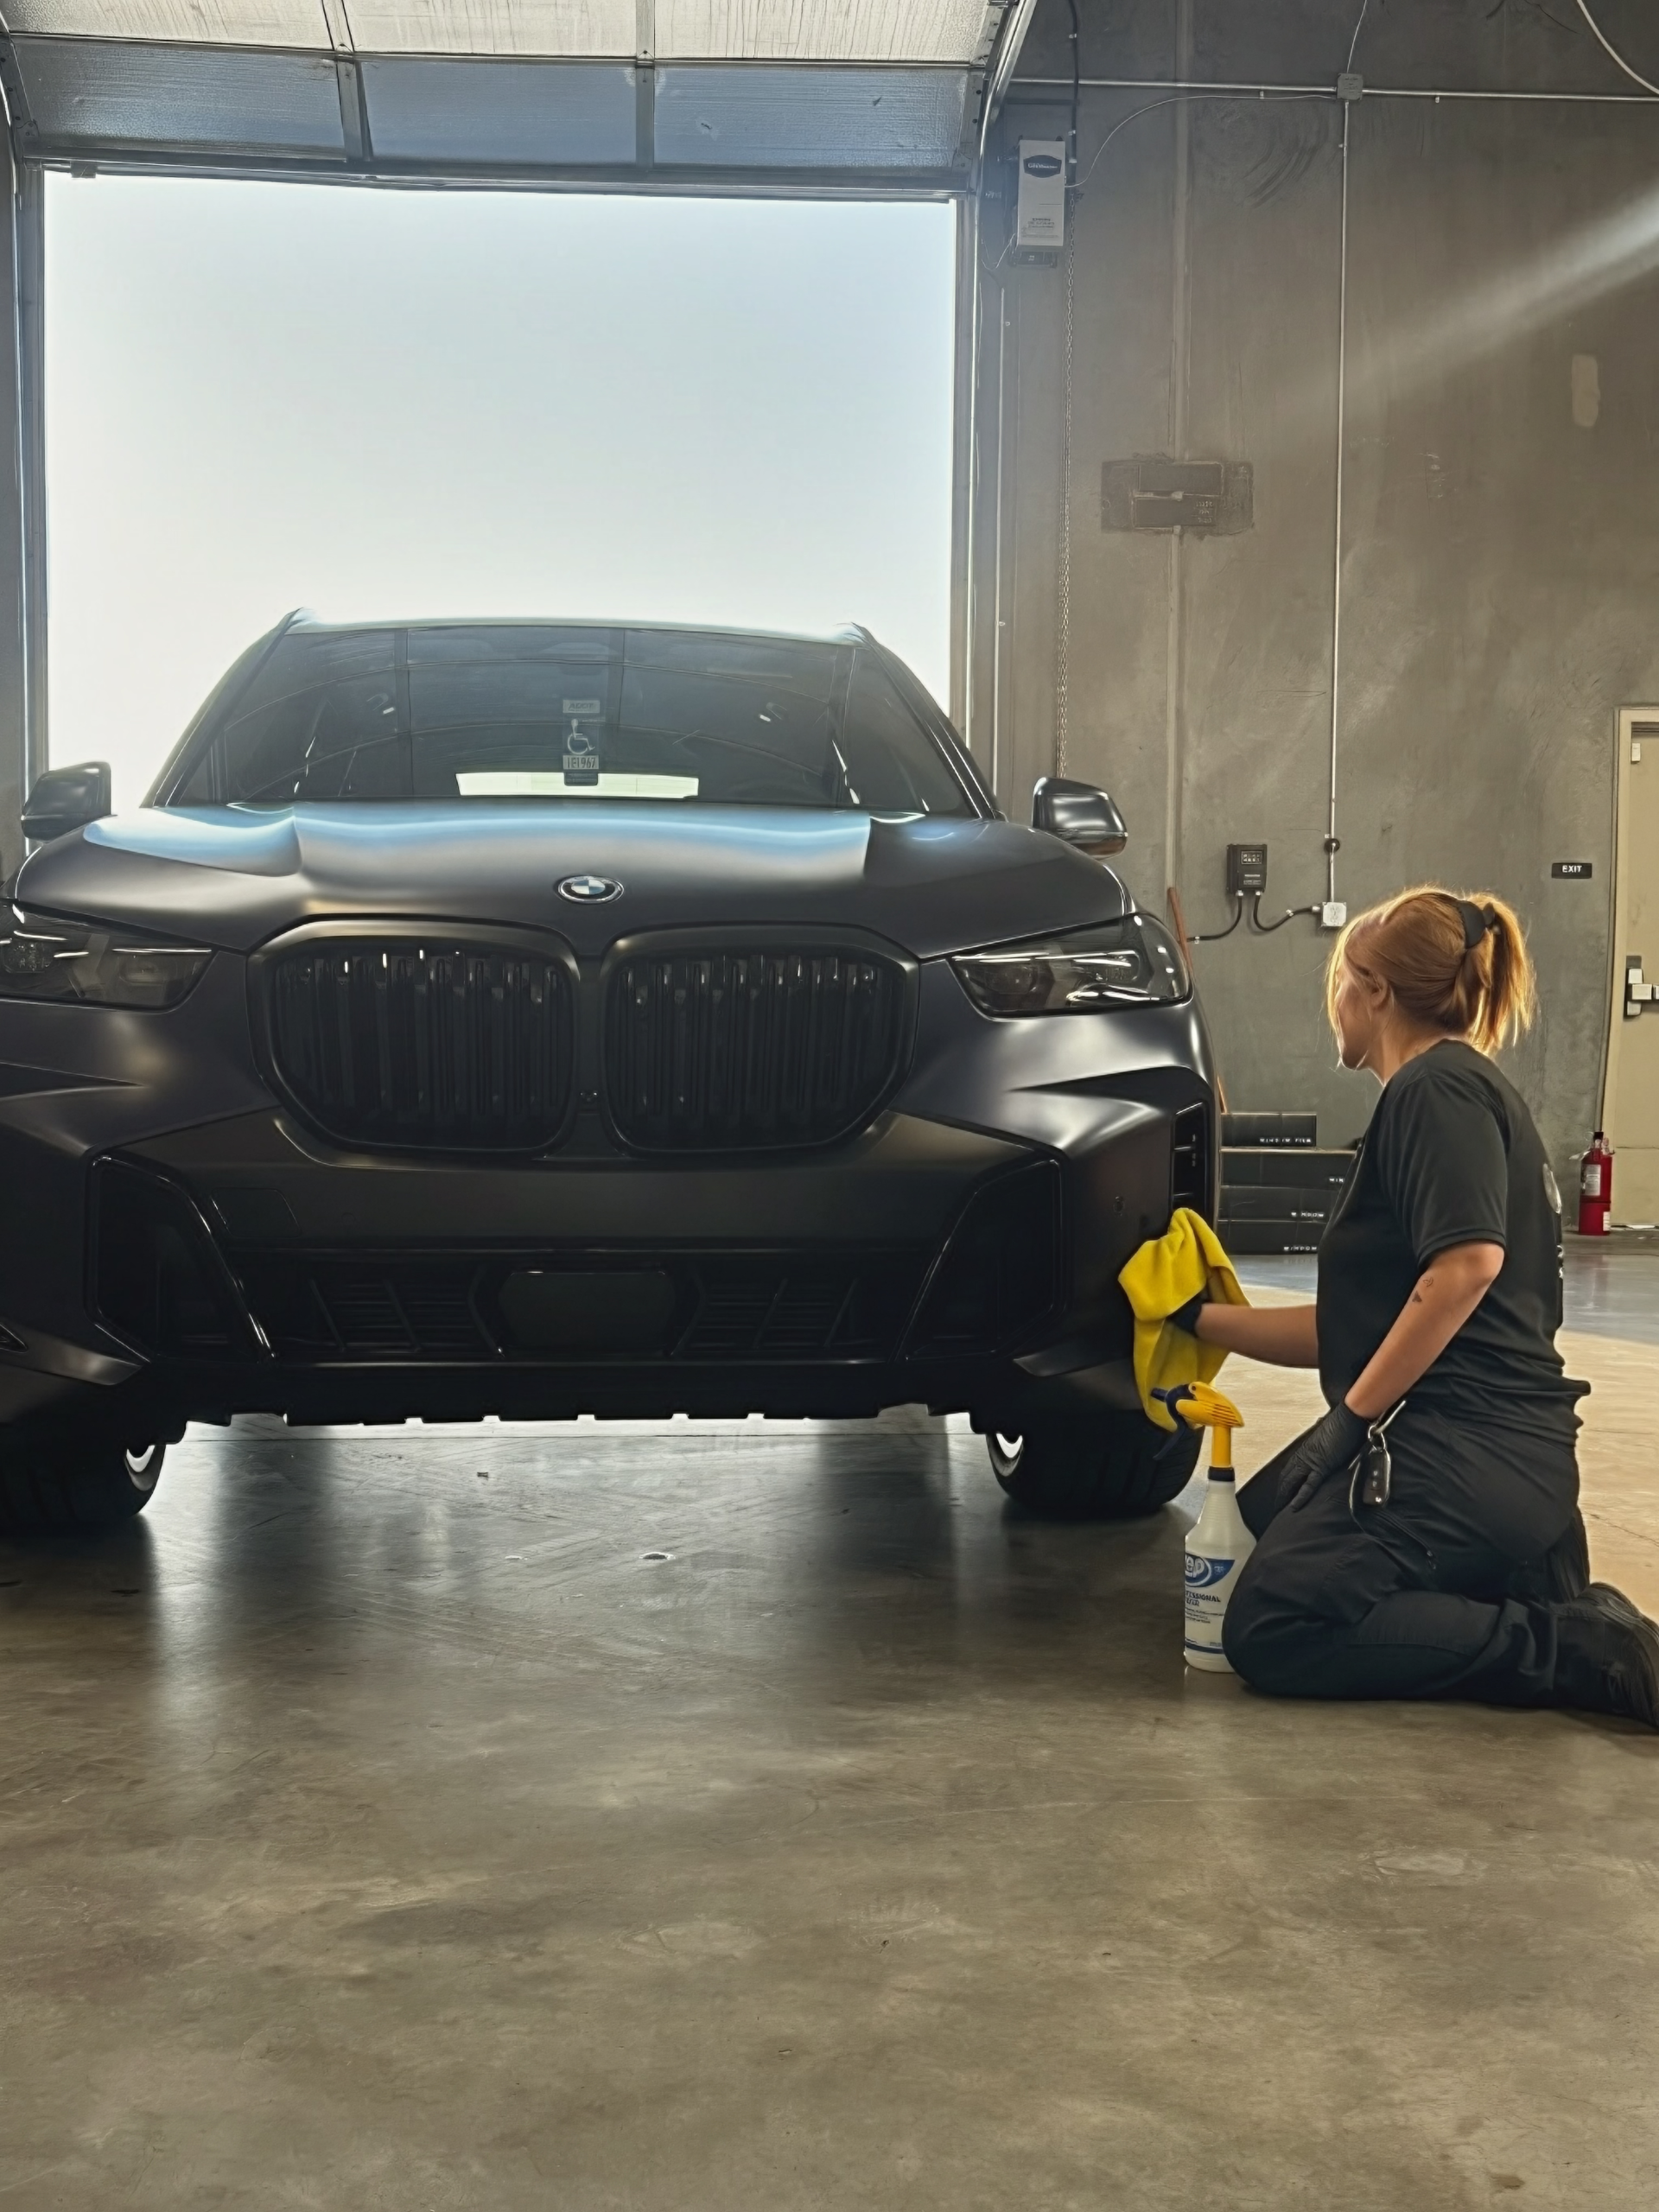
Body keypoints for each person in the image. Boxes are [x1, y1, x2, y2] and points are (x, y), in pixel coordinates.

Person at [1181, 884, 1659, 1726]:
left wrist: (1348, 1423)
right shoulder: (1451, 1092)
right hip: (1486, 1449)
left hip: (1472, 1444)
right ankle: (1521, 1582)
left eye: (1339, 978)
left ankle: (1569, 1650)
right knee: (1249, 1532)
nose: (1332, 998)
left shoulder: (1435, 1092)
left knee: (1274, 1620)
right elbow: (1363, 1328)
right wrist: (1195, 1318)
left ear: (1373, 990)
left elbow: (1468, 1267)